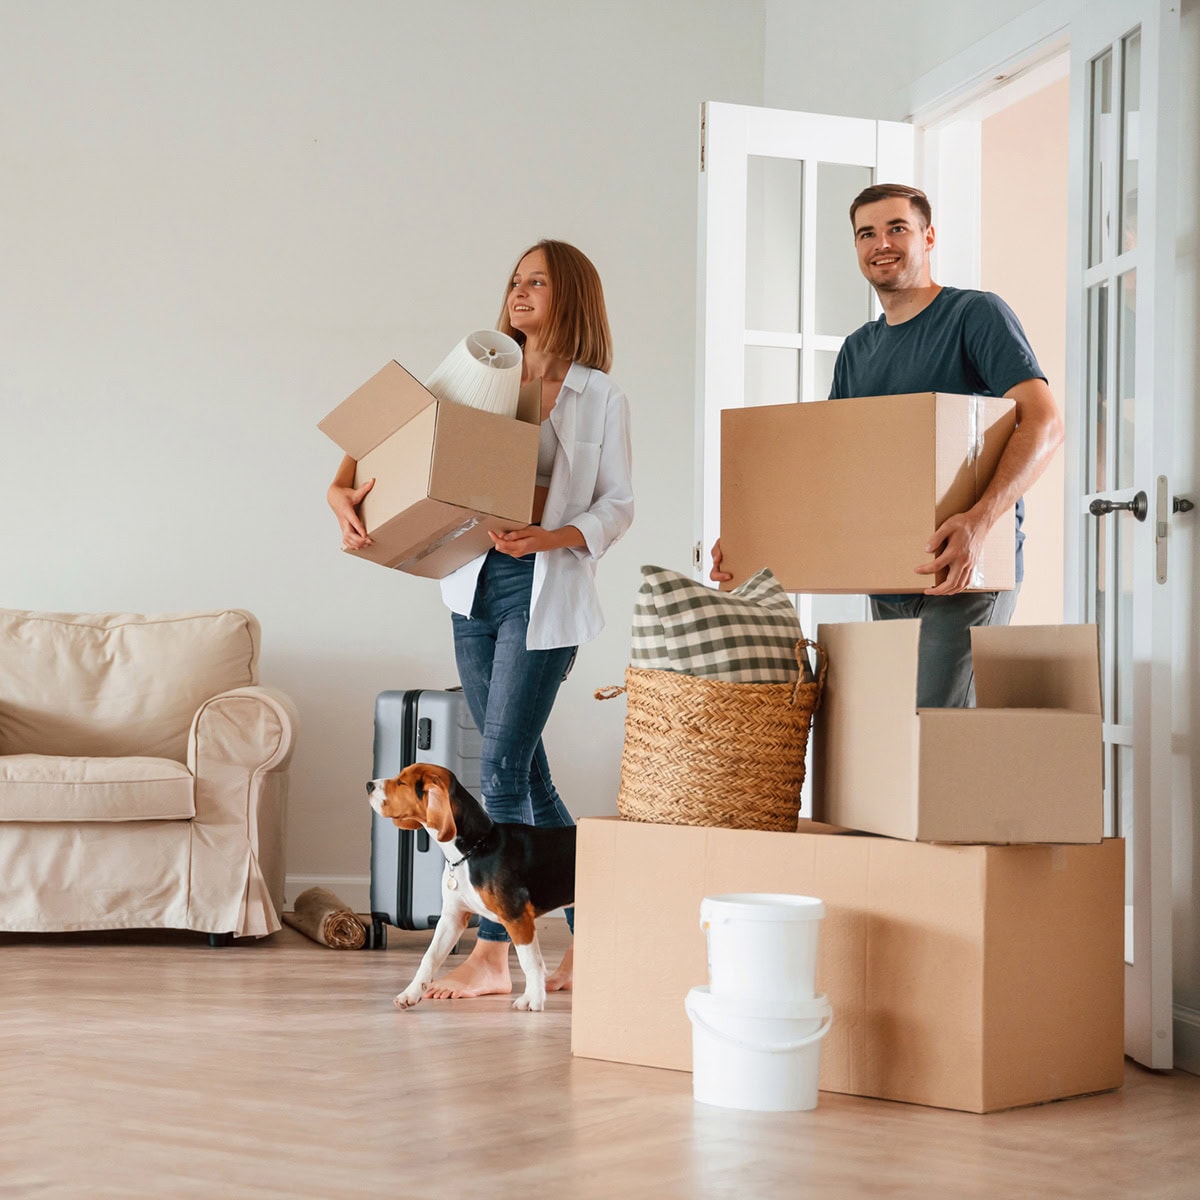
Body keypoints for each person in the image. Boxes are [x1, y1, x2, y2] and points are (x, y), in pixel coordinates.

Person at [329, 239, 634, 996]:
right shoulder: (481, 372)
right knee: (524, 770)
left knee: (497, 768)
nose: (519, 292)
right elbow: (386, 440)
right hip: (472, 587)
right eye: (514, 281)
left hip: (546, 593)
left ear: (572, 296)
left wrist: (552, 536)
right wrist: (340, 490)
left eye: (538, 281)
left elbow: (617, 506)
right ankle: (601, 934)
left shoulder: (601, 396)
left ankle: (494, 952)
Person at [713, 183, 1063, 707]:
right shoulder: (858, 349)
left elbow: (1044, 422)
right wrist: (751, 543)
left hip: (962, 570)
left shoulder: (975, 315)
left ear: (928, 236)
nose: (882, 243)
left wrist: (980, 521)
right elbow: (831, 468)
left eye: (897, 228)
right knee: (900, 736)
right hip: (888, 571)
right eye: (867, 233)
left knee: (936, 727)